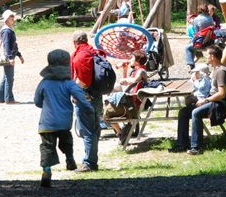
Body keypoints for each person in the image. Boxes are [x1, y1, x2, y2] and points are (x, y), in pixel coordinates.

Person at [34, 49, 94, 187]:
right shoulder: (69, 83)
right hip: (64, 121)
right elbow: (82, 99)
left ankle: (47, 170)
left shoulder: (44, 83)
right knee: (66, 140)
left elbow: (37, 101)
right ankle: (69, 158)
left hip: (47, 123)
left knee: (47, 146)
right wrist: (90, 111)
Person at [170, 45, 226, 155]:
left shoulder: (221, 71)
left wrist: (205, 101)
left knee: (196, 113)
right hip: (213, 101)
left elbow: (222, 94)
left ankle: (196, 147)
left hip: (221, 104)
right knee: (184, 112)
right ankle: (181, 144)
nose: (206, 57)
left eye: (207, 55)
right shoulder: (215, 70)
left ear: (212, 56)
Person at [70, 30, 101, 172]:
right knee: (94, 130)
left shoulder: (80, 56)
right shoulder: (94, 52)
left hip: (85, 98)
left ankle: (89, 163)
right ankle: (92, 161)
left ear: (75, 42)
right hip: (97, 96)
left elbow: (83, 80)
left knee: (87, 131)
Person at [105, 50, 149, 143]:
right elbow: (126, 85)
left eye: (132, 58)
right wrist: (125, 70)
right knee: (113, 91)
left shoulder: (141, 71)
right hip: (130, 99)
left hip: (132, 103)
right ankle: (121, 133)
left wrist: (125, 79)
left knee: (107, 112)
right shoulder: (137, 70)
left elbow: (134, 80)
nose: (130, 59)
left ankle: (121, 133)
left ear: (137, 60)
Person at [0, 9, 24, 104]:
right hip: (8, 57)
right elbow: (7, 45)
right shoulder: (7, 31)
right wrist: (11, 58)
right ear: (7, 19)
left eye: (13, 16)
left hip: (9, 56)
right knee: (9, 78)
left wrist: (19, 55)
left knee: (5, 77)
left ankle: (0, 98)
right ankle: (9, 99)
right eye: (11, 17)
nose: (13, 18)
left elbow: (13, 45)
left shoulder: (8, 30)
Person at [185, 4, 215, 70]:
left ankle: (191, 64)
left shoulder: (196, 19)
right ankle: (198, 55)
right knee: (193, 43)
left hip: (201, 43)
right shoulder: (210, 18)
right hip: (210, 42)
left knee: (188, 47)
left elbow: (196, 33)